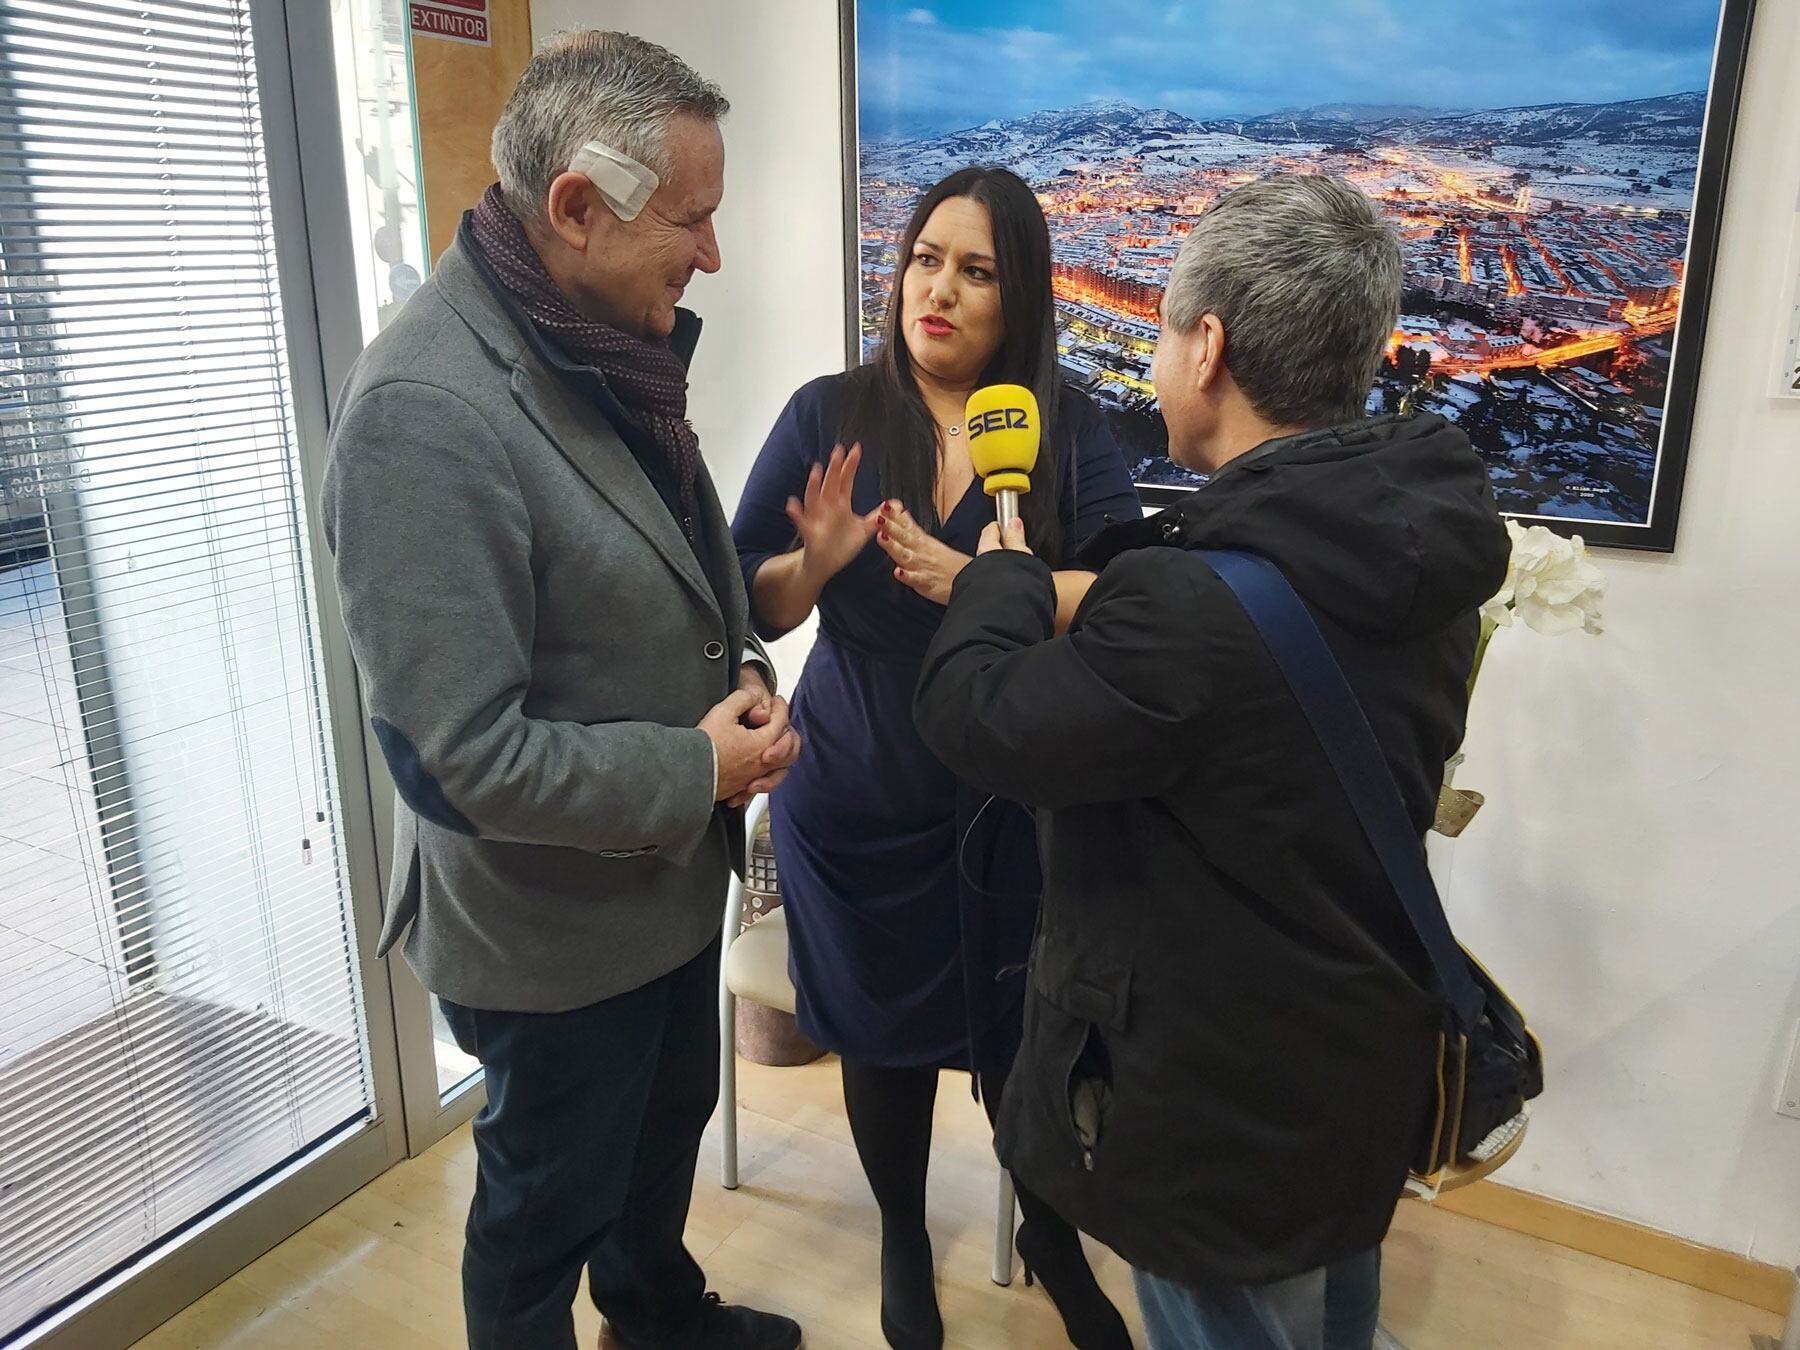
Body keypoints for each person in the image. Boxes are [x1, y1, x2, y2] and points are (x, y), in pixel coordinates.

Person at [913, 173, 1513, 1350]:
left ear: (1210, 348)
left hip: (1214, 1096)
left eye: (1162, 332)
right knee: (1334, 1312)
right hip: (1352, 1044)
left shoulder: (1193, 609)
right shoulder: (1415, 539)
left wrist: (1003, 577)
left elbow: (974, 715)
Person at [321, 32, 804, 1350]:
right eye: (690, 220)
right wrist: (700, 767)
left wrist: (743, 671)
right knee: (543, 1213)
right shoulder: (423, 413)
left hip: (660, 888)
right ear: (579, 206)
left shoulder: (598, 340)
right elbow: (456, 757)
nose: (713, 253)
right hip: (549, 935)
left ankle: (655, 1315)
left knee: (658, 1144)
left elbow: (674, 570)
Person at [731, 166, 1142, 1350]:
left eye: (976, 271)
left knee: (1029, 1038)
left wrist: (987, 583)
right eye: (924, 260)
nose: (939, 290)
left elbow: (1127, 596)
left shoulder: (1065, 425)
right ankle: (904, 1241)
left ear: (1021, 298)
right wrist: (811, 567)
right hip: (858, 792)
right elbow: (749, 594)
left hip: (1016, 798)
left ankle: (1052, 1238)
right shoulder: (829, 413)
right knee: (881, 1038)